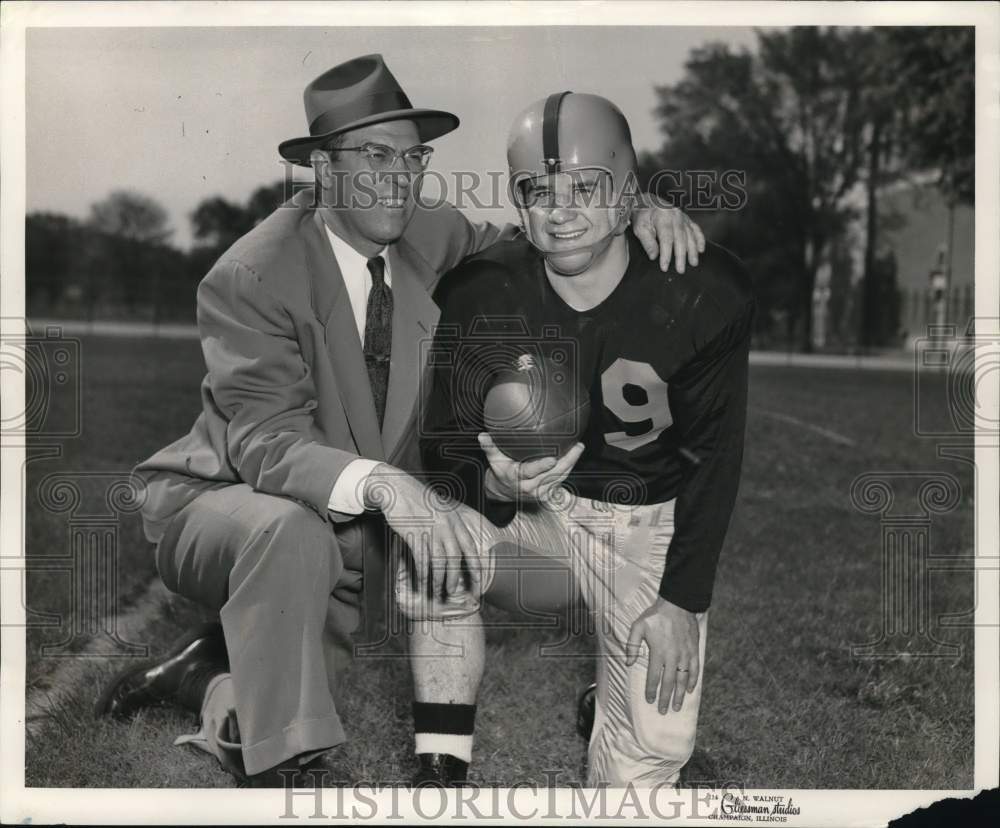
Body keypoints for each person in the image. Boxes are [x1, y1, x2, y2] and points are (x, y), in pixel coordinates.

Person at [93, 55, 705, 786]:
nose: (399, 177)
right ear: (322, 167)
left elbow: (539, 244)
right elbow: (266, 442)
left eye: (412, 157)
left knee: (554, 573)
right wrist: (390, 487)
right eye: (374, 156)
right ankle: (285, 768)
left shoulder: (429, 231)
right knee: (294, 551)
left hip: (357, 524)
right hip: (233, 505)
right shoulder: (252, 275)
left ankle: (211, 670)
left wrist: (632, 211)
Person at [410, 91, 754, 787]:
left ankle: (612, 698)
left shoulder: (698, 291)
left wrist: (682, 601)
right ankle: (440, 765)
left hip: (643, 526)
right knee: (429, 541)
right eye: (538, 190)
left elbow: (716, 457)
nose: (559, 209)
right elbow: (441, 449)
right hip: (536, 521)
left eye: (585, 188)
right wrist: (493, 485)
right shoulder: (484, 294)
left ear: (628, 196)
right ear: (518, 201)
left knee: (636, 785)